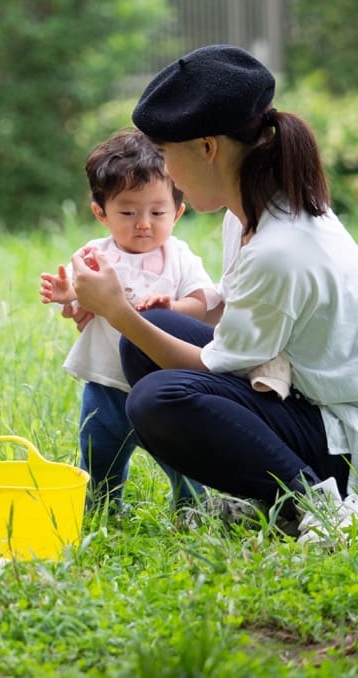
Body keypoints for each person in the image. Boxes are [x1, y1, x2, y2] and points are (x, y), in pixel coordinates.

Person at [70, 44, 358, 541]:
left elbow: (215, 367)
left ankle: (321, 506)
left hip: (336, 434)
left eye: (164, 156)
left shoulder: (282, 247)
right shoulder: (248, 213)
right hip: (295, 399)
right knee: (151, 337)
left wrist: (117, 312)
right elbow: (231, 304)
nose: (168, 177)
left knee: (157, 399)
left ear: (207, 148)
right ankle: (275, 501)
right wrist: (168, 308)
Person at [39, 128, 219, 512]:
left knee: (183, 460)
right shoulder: (93, 256)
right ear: (100, 213)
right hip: (105, 386)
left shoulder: (179, 255)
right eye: (127, 212)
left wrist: (172, 307)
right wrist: (66, 296)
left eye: (157, 212)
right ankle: (103, 509)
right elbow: (78, 307)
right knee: (99, 456)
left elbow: (203, 301)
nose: (143, 223)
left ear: (178, 212)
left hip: (162, 388)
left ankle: (191, 509)